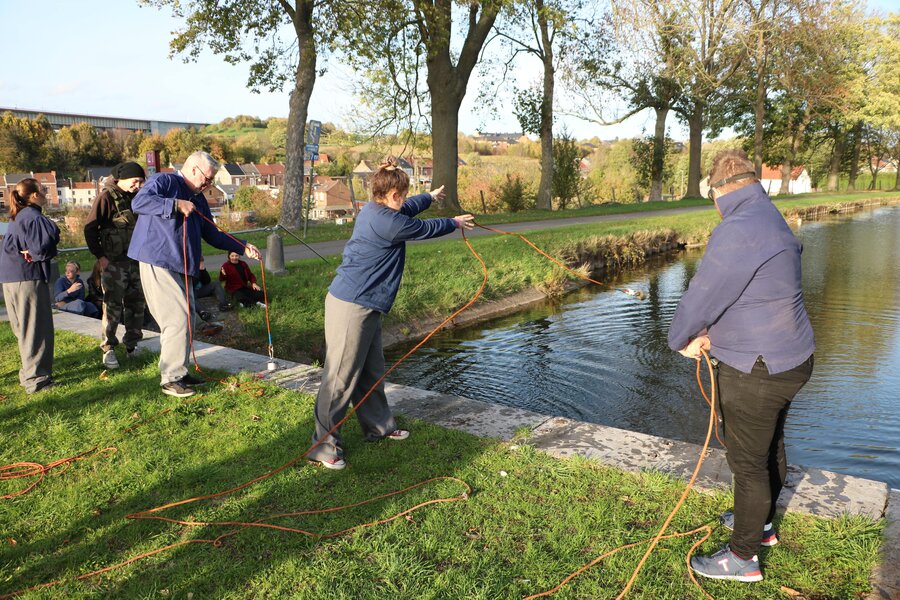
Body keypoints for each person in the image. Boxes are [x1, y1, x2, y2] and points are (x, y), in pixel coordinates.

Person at [667, 149, 815, 583]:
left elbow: (704, 292)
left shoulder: (737, 228)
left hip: (758, 369)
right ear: (754, 182)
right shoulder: (769, 215)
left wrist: (681, 340)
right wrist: (720, 333)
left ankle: (742, 557)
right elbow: (754, 293)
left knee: (748, 464)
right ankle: (762, 525)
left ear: (717, 193)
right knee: (771, 447)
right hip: (793, 358)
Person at [307, 160, 475, 470]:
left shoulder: (380, 209)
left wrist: (429, 197)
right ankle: (323, 446)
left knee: (371, 371)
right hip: (350, 305)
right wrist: (454, 223)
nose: (407, 198)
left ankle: (378, 427)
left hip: (367, 305)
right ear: (393, 193)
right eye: (405, 193)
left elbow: (409, 209)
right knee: (340, 379)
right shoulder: (387, 222)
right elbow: (423, 228)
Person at [128, 151, 261, 398]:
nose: (209, 184)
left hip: (184, 266)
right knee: (176, 318)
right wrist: (175, 204)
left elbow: (213, 233)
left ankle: (181, 372)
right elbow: (139, 203)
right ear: (192, 170)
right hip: (158, 260)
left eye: (211, 180)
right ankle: (170, 379)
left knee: (188, 318)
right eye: (207, 179)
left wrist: (242, 246)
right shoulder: (165, 181)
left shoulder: (198, 199)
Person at [84, 161, 147, 368]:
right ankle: (108, 348)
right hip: (114, 263)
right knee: (112, 307)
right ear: (122, 178)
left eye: (140, 181)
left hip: (136, 261)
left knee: (136, 305)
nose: (137, 185)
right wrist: (100, 256)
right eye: (134, 181)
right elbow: (90, 229)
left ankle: (132, 345)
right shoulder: (106, 197)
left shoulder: (138, 197)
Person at [0, 178, 61, 393]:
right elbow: (44, 246)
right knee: (36, 328)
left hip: (10, 278)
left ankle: (29, 374)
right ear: (34, 195)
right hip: (27, 278)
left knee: (23, 328)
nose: (46, 192)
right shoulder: (33, 216)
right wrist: (35, 254)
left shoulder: (18, 216)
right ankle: (36, 380)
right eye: (43, 190)